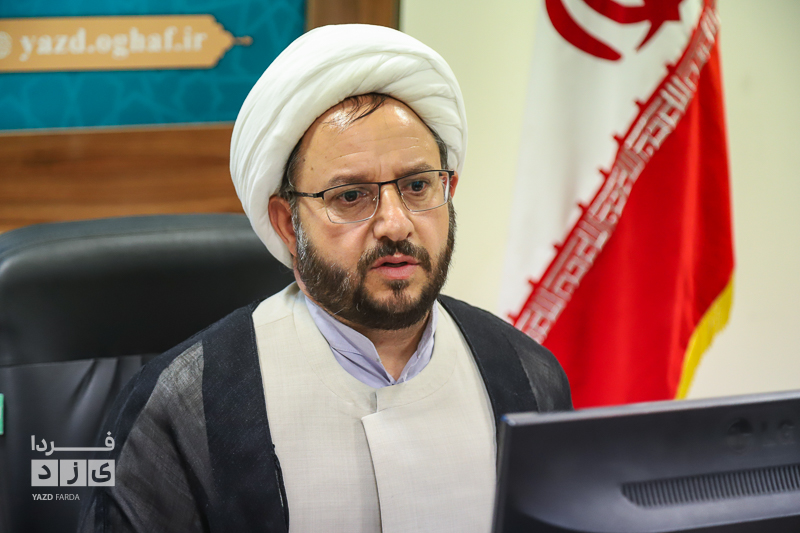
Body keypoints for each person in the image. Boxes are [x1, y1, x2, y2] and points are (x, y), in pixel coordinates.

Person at [80, 24, 571, 533]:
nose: (396, 223)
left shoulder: (526, 376)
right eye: (351, 196)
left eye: (418, 186)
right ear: (286, 224)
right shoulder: (184, 408)